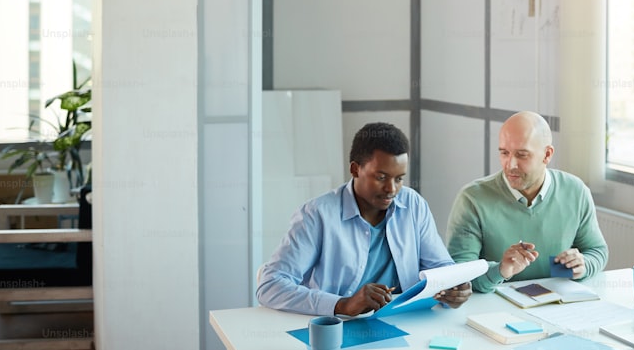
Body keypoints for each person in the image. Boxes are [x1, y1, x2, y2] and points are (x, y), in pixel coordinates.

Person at [257, 121, 472, 316]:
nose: (391, 189)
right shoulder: (316, 215)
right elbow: (270, 286)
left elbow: (440, 266)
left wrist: (454, 286)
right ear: (355, 169)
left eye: (399, 179)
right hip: (339, 327)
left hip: (404, 322)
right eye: (381, 177)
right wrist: (343, 304)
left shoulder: (413, 205)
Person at [446, 110, 608, 293]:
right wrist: (500, 270)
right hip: (493, 309)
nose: (510, 164)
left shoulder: (575, 191)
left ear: (547, 155)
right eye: (504, 153)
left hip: (558, 305)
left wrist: (583, 265)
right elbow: (460, 276)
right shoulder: (472, 199)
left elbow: (596, 251)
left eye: (522, 155)